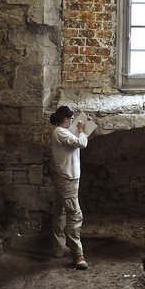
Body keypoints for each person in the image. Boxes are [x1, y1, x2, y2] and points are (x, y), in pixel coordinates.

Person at [50, 105, 89, 270]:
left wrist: (85, 125)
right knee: (74, 215)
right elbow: (81, 143)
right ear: (65, 120)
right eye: (71, 119)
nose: (73, 121)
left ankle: (59, 247)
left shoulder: (63, 132)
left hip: (65, 177)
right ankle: (77, 255)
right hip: (68, 179)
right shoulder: (60, 133)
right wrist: (82, 130)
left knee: (61, 212)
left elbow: (76, 137)